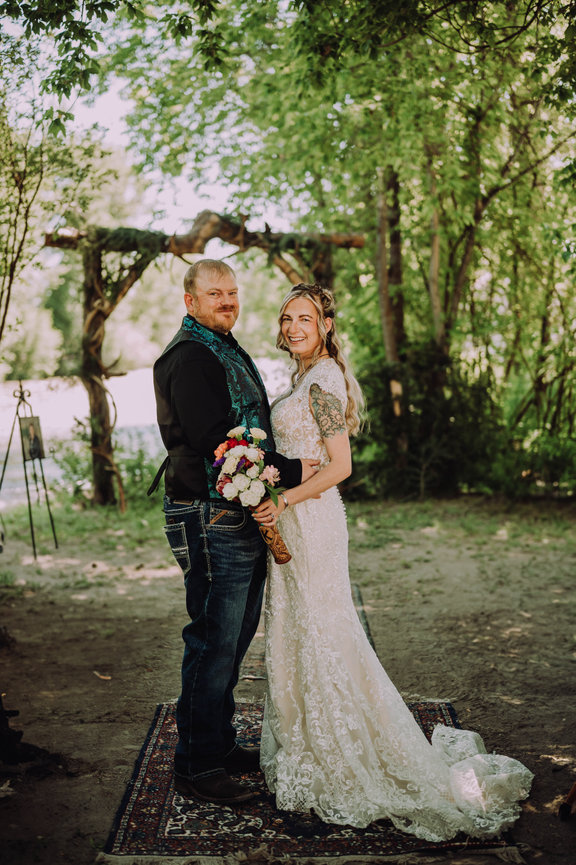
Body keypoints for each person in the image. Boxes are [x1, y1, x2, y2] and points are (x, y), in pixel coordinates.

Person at [253, 283, 533, 841]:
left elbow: (340, 467)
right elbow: (309, 457)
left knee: (322, 632)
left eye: (304, 318)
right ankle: (306, 743)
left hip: (313, 522)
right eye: (286, 319)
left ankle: (336, 756)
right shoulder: (305, 377)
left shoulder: (326, 379)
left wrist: (281, 497)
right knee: (299, 631)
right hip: (295, 520)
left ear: (326, 325)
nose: (292, 327)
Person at [151, 260, 318, 806]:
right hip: (207, 514)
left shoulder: (220, 344)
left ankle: (217, 746)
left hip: (235, 509)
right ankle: (196, 766)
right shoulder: (190, 356)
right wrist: (293, 470)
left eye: (232, 291)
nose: (226, 300)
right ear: (189, 301)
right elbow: (215, 441)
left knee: (235, 636)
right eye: (213, 293)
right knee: (213, 638)